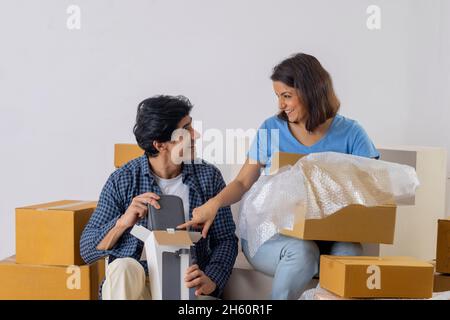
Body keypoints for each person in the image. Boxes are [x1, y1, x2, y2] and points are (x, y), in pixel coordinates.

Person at [178, 53, 379, 300]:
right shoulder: (272, 129)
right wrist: (214, 203)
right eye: (278, 96)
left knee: (350, 252)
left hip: (332, 233)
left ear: (311, 92)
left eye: (287, 96)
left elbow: (373, 182)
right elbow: (242, 182)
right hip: (272, 236)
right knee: (302, 251)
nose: (281, 105)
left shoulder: (351, 133)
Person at [80, 95, 238, 300]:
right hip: (136, 286)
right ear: (160, 144)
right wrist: (122, 223)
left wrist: (212, 280)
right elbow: (87, 250)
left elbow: (226, 240)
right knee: (122, 267)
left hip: (186, 285)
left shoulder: (208, 177)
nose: (196, 135)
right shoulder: (123, 179)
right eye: (186, 130)